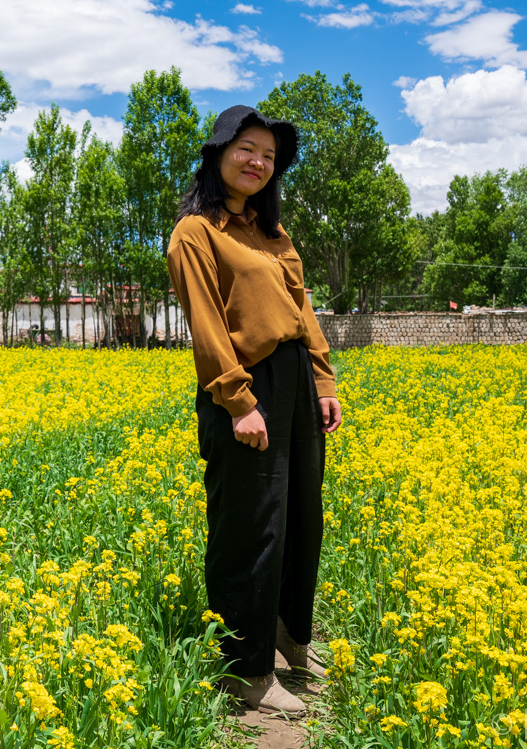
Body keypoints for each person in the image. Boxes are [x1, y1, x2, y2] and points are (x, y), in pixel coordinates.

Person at [165, 105, 344, 716]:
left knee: (300, 516)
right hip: (243, 386)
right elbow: (207, 323)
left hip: (293, 383)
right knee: (250, 526)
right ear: (218, 153)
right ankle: (244, 671)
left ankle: (291, 636)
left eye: (269, 155)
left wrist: (322, 380)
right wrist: (239, 400)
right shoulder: (196, 232)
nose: (258, 162)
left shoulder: (273, 236)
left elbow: (303, 310)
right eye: (247, 148)